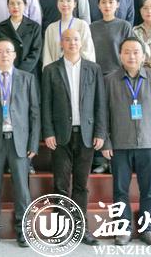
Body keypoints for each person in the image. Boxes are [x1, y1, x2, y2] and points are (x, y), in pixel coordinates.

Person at [41, 29, 106, 246]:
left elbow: (100, 103)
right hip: (60, 136)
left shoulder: (93, 69)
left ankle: (81, 228)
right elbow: (45, 104)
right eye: (67, 39)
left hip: (86, 135)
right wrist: (48, 132)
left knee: (81, 185)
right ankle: (61, 229)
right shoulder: (51, 70)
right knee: (60, 184)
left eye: (76, 39)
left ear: (81, 42)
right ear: (61, 43)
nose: (72, 43)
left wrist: (100, 132)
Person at [102, 37, 151, 247]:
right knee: (120, 190)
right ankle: (123, 230)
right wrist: (106, 142)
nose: (132, 56)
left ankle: (147, 230)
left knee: (148, 190)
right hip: (119, 145)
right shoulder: (109, 80)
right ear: (120, 55)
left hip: (148, 144)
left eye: (136, 52)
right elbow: (103, 114)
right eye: (127, 52)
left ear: (143, 55)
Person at [0, 38, 41, 248]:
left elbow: (34, 114)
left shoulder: (27, 78)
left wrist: (33, 143)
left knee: (22, 189)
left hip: (19, 141)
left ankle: (24, 230)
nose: (4, 55)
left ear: (14, 55)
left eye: (8, 51)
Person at [42, 0, 95, 67]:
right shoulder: (51, 28)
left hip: (78, 70)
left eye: (68, 1)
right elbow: (47, 56)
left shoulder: (82, 25)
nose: (65, 4)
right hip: (56, 72)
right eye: (61, 1)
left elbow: (88, 52)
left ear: (75, 4)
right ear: (57, 4)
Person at [0, 0, 42, 74]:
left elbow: (35, 53)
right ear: (8, 6)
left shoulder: (34, 27)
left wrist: (19, 72)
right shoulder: (0, 27)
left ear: (25, 5)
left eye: (19, 3)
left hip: (29, 73)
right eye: (12, 3)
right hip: (6, 72)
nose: (15, 6)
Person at [90, 0, 134, 75]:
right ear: (99, 5)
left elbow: (130, 50)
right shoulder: (91, 27)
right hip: (96, 74)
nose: (107, 5)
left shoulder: (124, 26)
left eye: (111, 2)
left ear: (117, 4)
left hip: (118, 73)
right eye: (103, 2)